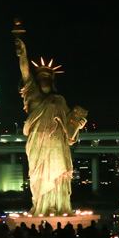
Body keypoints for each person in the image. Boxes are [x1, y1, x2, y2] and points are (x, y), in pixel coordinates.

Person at [16, 38, 87, 215]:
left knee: (59, 174)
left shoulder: (59, 100)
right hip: (38, 140)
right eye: (42, 75)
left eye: (48, 75)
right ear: (37, 79)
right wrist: (23, 52)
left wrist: (77, 125)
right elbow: (25, 72)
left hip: (57, 142)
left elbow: (68, 130)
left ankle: (59, 205)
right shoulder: (32, 94)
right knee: (39, 174)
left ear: (52, 79)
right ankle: (41, 206)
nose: (45, 77)